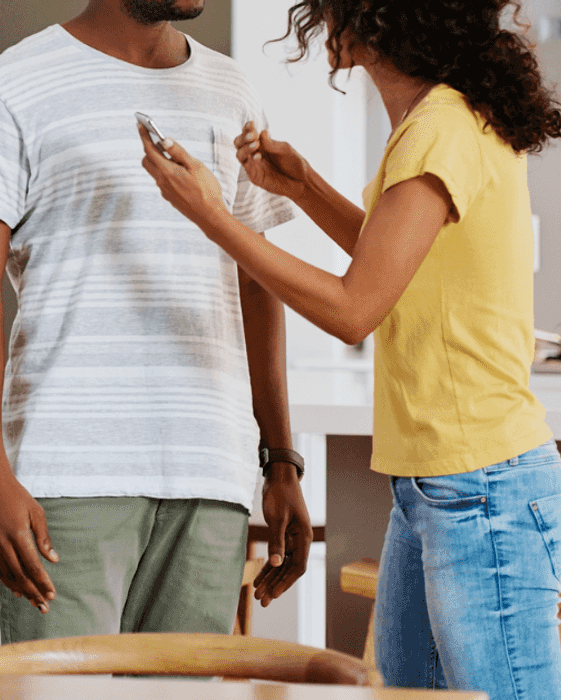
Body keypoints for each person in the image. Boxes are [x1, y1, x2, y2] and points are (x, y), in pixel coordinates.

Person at [136, 0, 561, 696]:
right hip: (438, 485)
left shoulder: (440, 128)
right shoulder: (441, 118)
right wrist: (303, 187)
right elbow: (398, 259)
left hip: (480, 488)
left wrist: (213, 216)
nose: (320, 17)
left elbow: (354, 308)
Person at [0, 0, 313, 647]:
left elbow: (255, 282)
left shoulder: (231, 90)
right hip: (68, 472)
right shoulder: (9, 85)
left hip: (209, 470)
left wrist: (280, 461)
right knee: (55, 692)